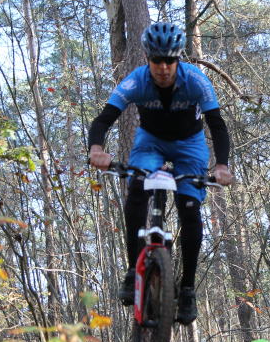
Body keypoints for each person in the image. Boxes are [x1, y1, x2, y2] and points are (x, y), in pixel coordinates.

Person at [88, 22, 232, 325]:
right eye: (157, 60)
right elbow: (104, 118)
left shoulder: (196, 80)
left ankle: (188, 289)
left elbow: (217, 124)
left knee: (190, 208)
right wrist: (96, 149)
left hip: (190, 146)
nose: (163, 68)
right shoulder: (135, 81)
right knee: (138, 189)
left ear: (179, 59)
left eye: (170, 61)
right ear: (146, 56)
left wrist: (221, 165)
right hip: (150, 143)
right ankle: (132, 271)